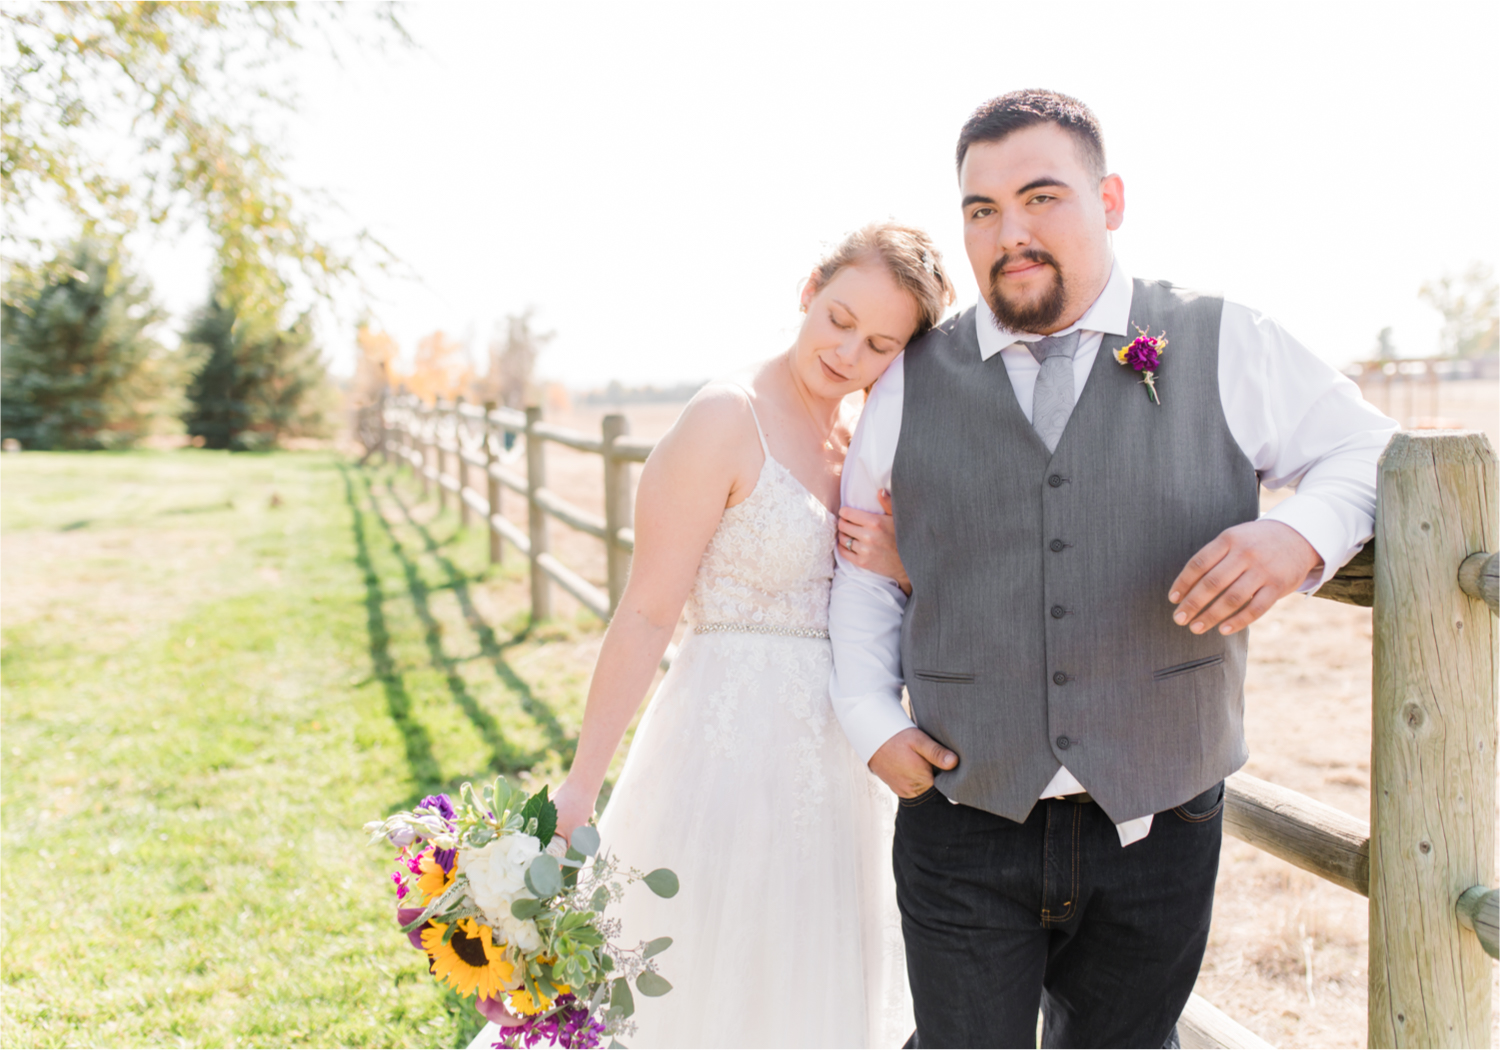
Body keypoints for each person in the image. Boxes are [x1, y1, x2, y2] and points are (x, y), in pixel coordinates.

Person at [829, 90, 1398, 1049]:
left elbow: (1377, 453)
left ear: (1112, 200)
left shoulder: (1226, 340)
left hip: (1162, 820)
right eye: (981, 210)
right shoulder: (908, 378)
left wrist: (1300, 535)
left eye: (1041, 197)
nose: (1009, 232)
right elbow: (864, 569)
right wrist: (871, 721)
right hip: (964, 812)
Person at [469, 222, 955, 1050]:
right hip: (719, 754)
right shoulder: (726, 417)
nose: (847, 353)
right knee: (688, 970)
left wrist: (905, 564)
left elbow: (889, 606)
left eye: (878, 344)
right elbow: (648, 612)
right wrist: (582, 785)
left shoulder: (862, 445)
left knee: (803, 979)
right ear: (808, 290)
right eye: (839, 319)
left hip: (833, 769)